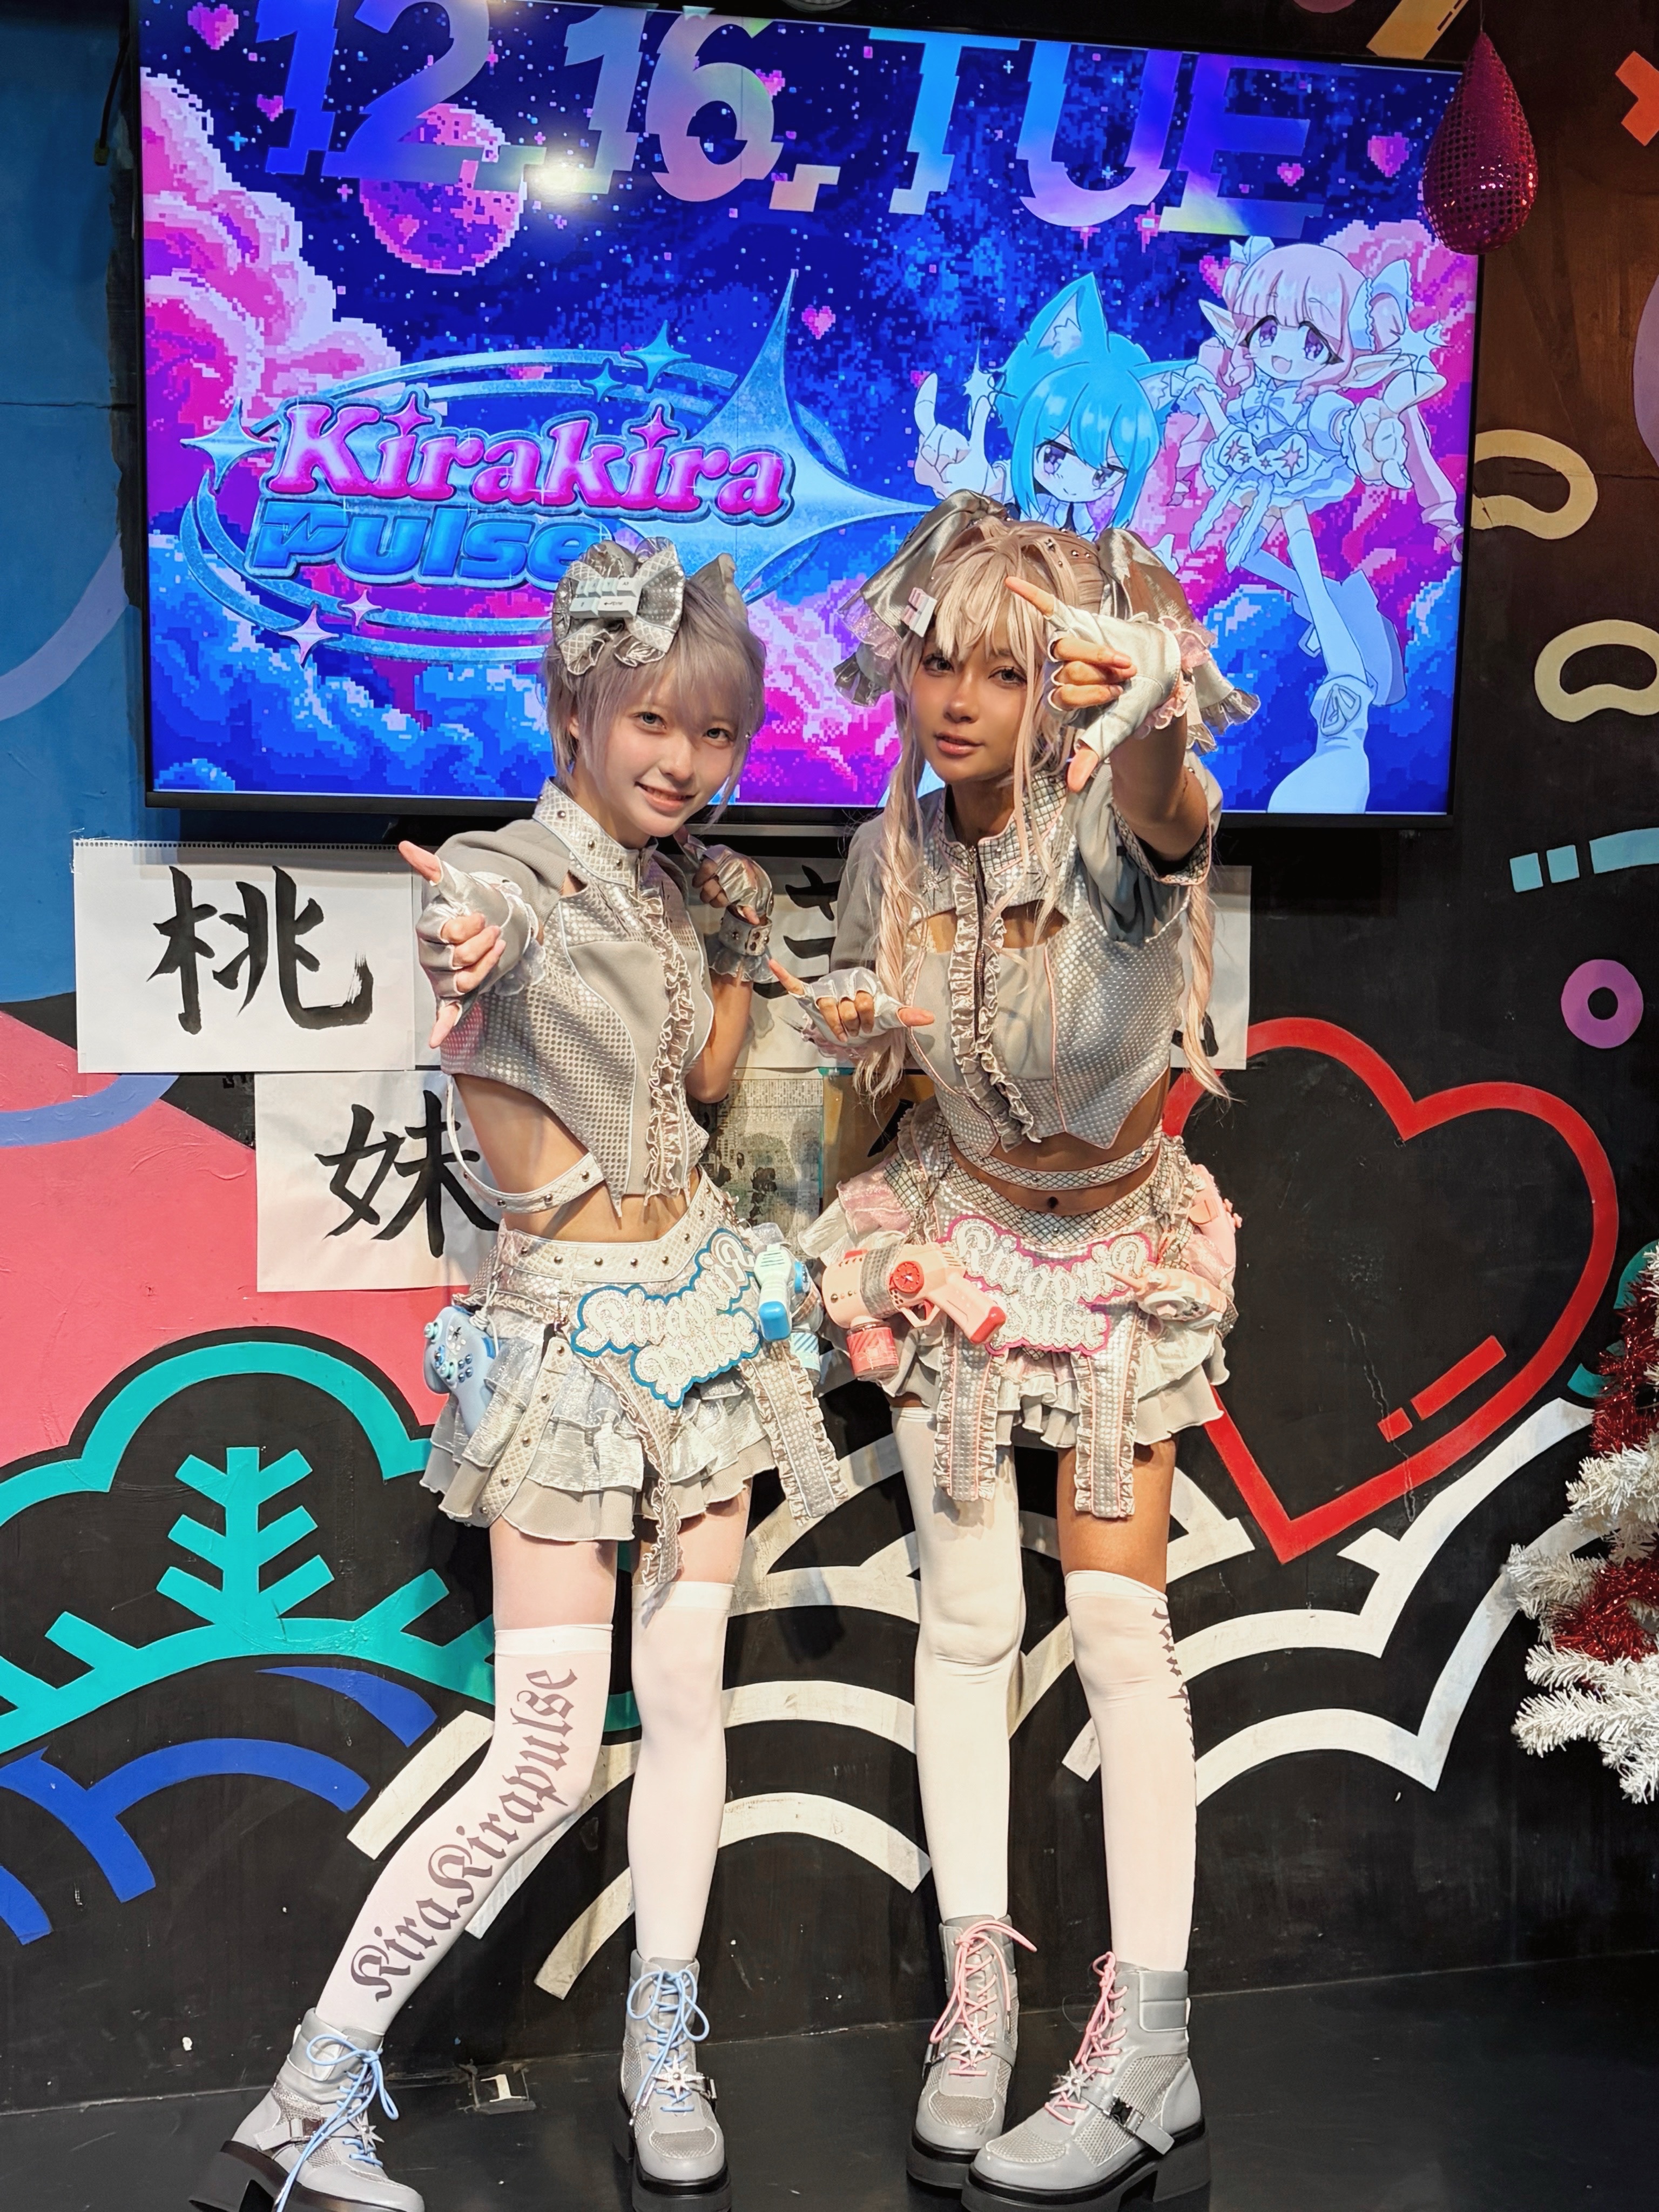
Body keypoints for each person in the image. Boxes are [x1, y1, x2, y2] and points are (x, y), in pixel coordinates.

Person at [193, 537, 842, 2212]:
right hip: (564, 1355)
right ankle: (310, 2092)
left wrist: (735, 944)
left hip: (699, 1323)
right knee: (545, 1760)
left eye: (715, 733)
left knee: (687, 1708)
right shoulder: (503, 872)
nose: (685, 761)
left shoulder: (675, 885)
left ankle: (661, 2042)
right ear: (574, 710)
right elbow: (472, 932)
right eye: (653, 722)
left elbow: (706, 1085)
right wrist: (466, 942)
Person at [779, 494, 1251, 2209]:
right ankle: (977, 1999)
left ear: (1062, 685)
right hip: (956, 1244)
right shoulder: (891, 850)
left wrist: (1159, 709)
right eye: (939, 666)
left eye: (1006, 670)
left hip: (1119, 1264)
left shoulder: (1120, 805)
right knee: (970, 1624)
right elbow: (882, 1052)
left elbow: (1175, 811)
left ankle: (1152, 2048)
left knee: (1123, 1632)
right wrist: (857, 1032)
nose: (961, 701)